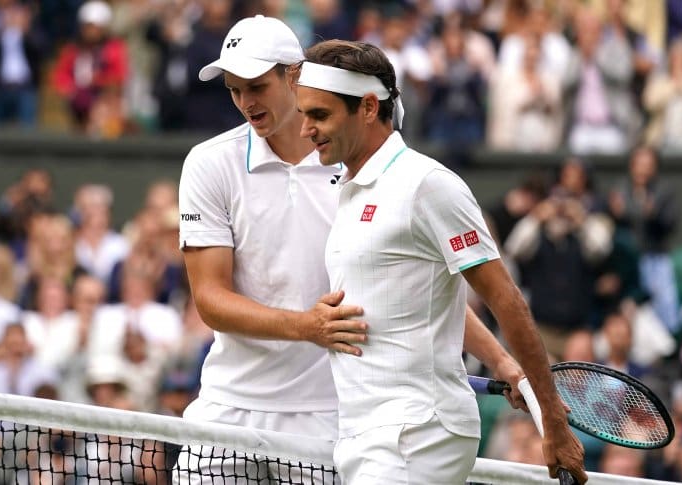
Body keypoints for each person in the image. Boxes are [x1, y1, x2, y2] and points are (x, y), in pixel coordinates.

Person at [178, 15, 528, 484]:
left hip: (329, 417)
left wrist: (502, 360)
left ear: (295, 75)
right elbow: (210, 301)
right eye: (234, 89)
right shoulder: (207, 164)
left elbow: (419, 287)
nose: (245, 102)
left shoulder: (357, 167)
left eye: (257, 86)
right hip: (226, 409)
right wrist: (307, 327)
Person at [294, 39, 587, 484]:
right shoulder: (347, 188)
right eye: (304, 115)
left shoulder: (427, 185)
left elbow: (507, 299)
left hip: (416, 433)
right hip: (364, 432)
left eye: (319, 115)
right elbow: (428, 293)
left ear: (368, 108)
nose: (305, 130)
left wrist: (554, 421)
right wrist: (502, 363)